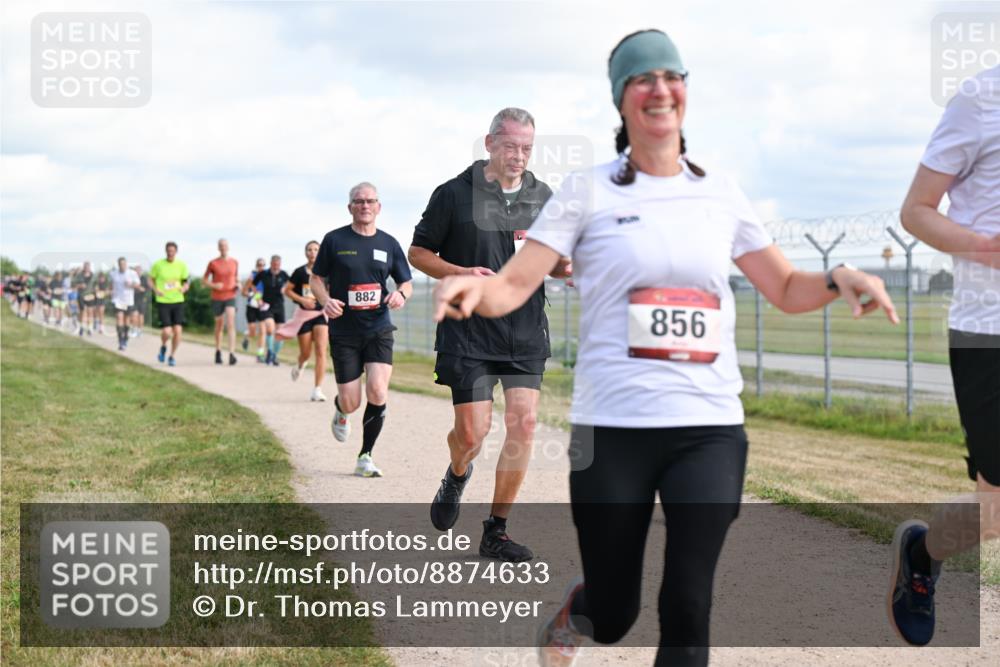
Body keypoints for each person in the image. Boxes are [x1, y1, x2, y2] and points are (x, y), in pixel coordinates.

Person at [432, 29, 899, 667]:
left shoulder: (720, 191)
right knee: (616, 611)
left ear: (684, 91)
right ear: (622, 100)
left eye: (671, 76)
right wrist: (468, 292)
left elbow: (787, 287)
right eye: (642, 78)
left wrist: (838, 276)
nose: (659, 88)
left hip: (708, 427)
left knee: (687, 605)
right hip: (616, 427)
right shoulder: (585, 190)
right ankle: (577, 613)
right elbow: (514, 283)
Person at [409, 107, 563, 562]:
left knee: (524, 424)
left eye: (527, 148)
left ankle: (496, 530)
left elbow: (554, 257)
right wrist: (460, 271)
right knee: (473, 433)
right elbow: (419, 252)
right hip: (468, 331)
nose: (519, 156)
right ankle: (458, 473)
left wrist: (567, 268)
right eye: (511, 146)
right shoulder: (454, 194)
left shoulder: (543, 196)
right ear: (490, 143)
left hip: (525, 331)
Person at [890, 64, 1000, 647]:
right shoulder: (981, 98)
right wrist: (984, 247)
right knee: (996, 505)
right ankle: (922, 551)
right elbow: (917, 210)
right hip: (990, 330)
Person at [310, 182, 413, 478]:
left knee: (378, 389)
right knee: (352, 401)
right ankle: (341, 409)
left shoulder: (389, 243)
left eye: (370, 201)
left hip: (379, 327)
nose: (364, 206)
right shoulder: (334, 239)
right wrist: (326, 300)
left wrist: (401, 295)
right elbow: (316, 280)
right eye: (359, 201)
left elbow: (405, 282)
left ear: (378, 207)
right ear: (350, 207)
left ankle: (365, 455)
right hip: (344, 331)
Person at [280, 240, 329, 402]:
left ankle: (317, 389)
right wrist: (302, 299)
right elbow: (286, 290)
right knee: (306, 353)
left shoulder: (327, 271)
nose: (312, 252)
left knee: (321, 351)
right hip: (304, 315)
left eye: (316, 249)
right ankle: (300, 364)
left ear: (320, 252)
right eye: (309, 249)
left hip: (321, 314)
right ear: (305, 253)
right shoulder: (299, 272)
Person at [149, 241, 190, 367]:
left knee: (178, 330)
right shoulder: (158, 265)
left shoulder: (181, 265)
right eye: (168, 251)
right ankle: (163, 346)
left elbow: (186, 281)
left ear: (176, 252)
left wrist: (184, 288)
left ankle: (172, 356)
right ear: (165, 251)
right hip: (163, 301)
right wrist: (156, 290)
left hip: (178, 300)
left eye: (172, 251)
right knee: (167, 331)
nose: (170, 253)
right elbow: (150, 280)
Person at [204, 238, 240, 366]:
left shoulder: (235, 262)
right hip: (217, 297)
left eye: (225, 245)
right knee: (219, 325)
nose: (223, 248)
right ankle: (218, 351)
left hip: (230, 295)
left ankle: (232, 354)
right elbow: (204, 280)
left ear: (228, 247)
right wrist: (214, 285)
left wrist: (238, 284)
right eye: (221, 246)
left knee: (231, 322)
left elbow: (236, 278)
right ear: (218, 248)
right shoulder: (213, 263)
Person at [257, 255, 290, 366]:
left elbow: (291, 286)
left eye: (278, 264)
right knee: (270, 329)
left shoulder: (284, 274)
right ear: (270, 264)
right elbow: (252, 286)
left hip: (279, 306)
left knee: (280, 333)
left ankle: (274, 355)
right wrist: (259, 299)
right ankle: (270, 352)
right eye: (274, 264)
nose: (276, 266)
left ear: (280, 265)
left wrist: (285, 289)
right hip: (266, 306)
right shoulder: (263, 274)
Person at [109, 257, 140, 351]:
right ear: (118, 265)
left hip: (128, 300)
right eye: (120, 264)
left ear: (126, 264)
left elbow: (138, 285)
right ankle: (120, 340)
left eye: (124, 264)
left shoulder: (132, 273)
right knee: (119, 318)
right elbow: (110, 284)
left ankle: (126, 337)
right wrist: (110, 291)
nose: (122, 266)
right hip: (117, 300)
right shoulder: (113, 273)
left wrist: (130, 285)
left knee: (127, 321)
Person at [242, 257, 267, 360]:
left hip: (262, 307)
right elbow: (243, 292)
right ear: (256, 266)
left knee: (263, 331)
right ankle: (247, 336)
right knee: (253, 332)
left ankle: (260, 354)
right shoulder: (252, 278)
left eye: (263, 265)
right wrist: (251, 294)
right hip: (251, 306)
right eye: (259, 265)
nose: (261, 267)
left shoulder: (267, 277)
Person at [76, 261, 96, 335]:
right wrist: (80, 286)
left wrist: (96, 291)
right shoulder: (79, 275)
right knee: (82, 311)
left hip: (90, 296)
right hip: (81, 295)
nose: (87, 268)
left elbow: (96, 285)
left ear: (90, 267)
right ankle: (81, 327)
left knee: (90, 311)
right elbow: (74, 285)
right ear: (84, 267)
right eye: (85, 267)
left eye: (88, 267)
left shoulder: (93, 276)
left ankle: (90, 328)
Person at [129, 265, 147, 337]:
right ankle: (134, 330)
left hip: (142, 299)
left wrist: (136, 286)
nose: (137, 272)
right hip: (133, 299)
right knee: (134, 315)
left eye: (138, 270)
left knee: (141, 316)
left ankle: (140, 331)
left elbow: (144, 289)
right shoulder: (132, 278)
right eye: (136, 270)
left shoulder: (144, 279)